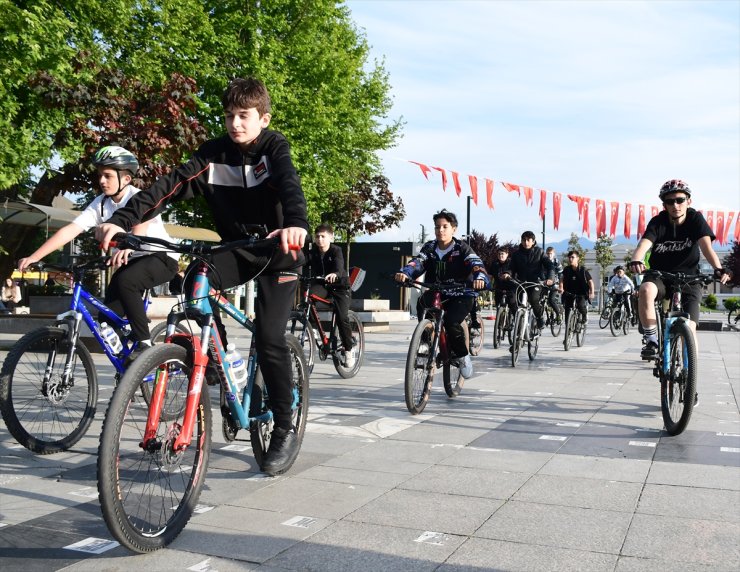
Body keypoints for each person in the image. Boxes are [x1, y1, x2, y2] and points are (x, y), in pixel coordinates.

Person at [96, 77, 309, 476]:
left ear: (262, 118)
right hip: (236, 251)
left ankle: (283, 426)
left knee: (268, 336)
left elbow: (290, 185)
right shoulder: (212, 155)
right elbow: (166, 188)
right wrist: (121, 220)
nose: (235, 123)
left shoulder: (274, 148)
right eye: (229, 116)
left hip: (281, 252)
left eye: (244, 116)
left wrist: (295, 223)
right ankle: (221, 362)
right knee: (195, 281)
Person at [17, 146, 179, 355]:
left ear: (126, 179)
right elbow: (70, 230)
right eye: (100, 175)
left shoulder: (139, 197)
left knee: (126, 281)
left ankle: (144, 344)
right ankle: (127, 370)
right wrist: (34, 257)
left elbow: (140, 227)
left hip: (161, 257)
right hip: (132, 262)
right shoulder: (100, 204)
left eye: (108, 175)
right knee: (107, 319)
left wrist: (128, 246)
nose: (102, 180)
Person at [629, 179, 730, 360]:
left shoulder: (695, 219)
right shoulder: (658, 221)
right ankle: (651, 340)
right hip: (660, 275)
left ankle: (689, 379)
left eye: (680, 200)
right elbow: (645, 243)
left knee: (690, 329)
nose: (675, 205)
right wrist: (636, 258)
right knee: (645, 289)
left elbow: (706, 247)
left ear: (688, 201)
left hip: (689, 278)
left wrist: (719, 268)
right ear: (664, 205)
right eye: (670, 201)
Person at [394, 210, 488, 379]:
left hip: (462, 293)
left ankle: (462, 356)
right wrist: (406, 273)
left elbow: (476, 264)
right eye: (437, 227)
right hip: (438, 291)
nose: (440, 231)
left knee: (452, 321)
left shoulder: (462, 248)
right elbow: (418, 262)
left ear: (454, 229)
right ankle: (424, 341)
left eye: (445, 227)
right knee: (423, 303)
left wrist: (480, 277)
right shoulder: (430, 247)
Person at [309, 224, 355, 367]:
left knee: (342, 317)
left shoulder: (336, 250)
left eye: (323, 236)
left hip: (340, 287)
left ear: (331, 237)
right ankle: (314, 329)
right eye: (317, 236)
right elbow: (302, 262)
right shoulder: (313, 252)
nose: (319, 239)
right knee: (309, 297)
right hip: (323, 286)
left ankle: (348, 349)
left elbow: (339, 267)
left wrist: (335, 274)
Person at [502, 230, 555, 330]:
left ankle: (539, 318)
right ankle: (517, 333)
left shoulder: (540, 252)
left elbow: (550, 266)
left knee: (534, 299)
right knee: (513, 301)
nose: (526, 242)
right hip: (521, 283)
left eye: (528, 240)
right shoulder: (516, 254)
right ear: (521, 241)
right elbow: (511, 267)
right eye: (524, 240)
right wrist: (507, 274)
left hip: (536, 282)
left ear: (533, 241)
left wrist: (550, 278)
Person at [559, 250, 595, 343]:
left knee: (580, 306)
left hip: (581, 293)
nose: (570, 259)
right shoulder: (566, 269)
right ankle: (567, 336)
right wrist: (561, 288)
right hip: (569, 293)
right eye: (569, 257)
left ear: (577, 259)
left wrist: (592, 292)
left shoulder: (583, 270)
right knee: (567, 315)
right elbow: (561, 279)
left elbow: (590, 282)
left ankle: (584, 317)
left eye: (573, 257)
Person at [488, 248, 515, 312]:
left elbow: (512, 271)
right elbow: (490, 275)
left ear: (507, 254)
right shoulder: (495, 264)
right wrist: (487, 284)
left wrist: (508, 274)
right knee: (498, 306)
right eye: (499, 254)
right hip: (499, 288)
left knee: (512, 305)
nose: (500, 255)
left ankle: (514, 320)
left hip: (511, 288)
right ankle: (499, 320)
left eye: (502, 254)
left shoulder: (511, 263)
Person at [545, 246, 564, 324]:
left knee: (551, 300)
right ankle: (547, 316)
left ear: (554, 254)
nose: (549, 255)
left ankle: (558, 314)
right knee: (541, 300)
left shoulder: (556, 262)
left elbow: (561, 275)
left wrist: (561, 286)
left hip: (554, 284)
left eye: (551, 254)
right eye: (548, 253)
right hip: (544, 283)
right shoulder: (544, 261)